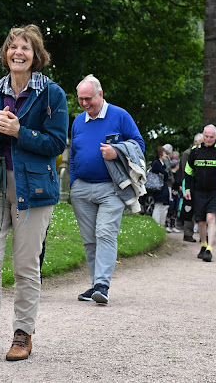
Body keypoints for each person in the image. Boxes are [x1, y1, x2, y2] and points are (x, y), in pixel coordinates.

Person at [0, 25, 68, 362]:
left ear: (36, 56)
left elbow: (56, 143)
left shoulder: (52, 94)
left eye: (26, 48)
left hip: (33, 189)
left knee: (25, 265)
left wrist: (20, 131)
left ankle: (22, 334)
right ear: (6, 54)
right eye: (13, 47)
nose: (19, 52)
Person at [69, 74, 145, 303]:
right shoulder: (78, 121)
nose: (84, 104)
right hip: (82, 188)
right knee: (89, 239)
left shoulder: (120, 116)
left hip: (112, 187)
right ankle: (95, 285)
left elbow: (139, 145)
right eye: (80, 99)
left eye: (88, 99)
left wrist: (117, 151)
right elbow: (73, 154)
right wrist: (73, 183)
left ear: (100, 94)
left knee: (104, 233)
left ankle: (102, 283)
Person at [184, 125, 216, 262]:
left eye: (212, 137)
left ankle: (210, 250)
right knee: (201, 221)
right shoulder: (195, 151)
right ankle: (203, 245)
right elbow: (188, 172)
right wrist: (187, 189)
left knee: (211, 217)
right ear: (203, 136)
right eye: (206, 136)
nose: (209, 139)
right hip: (199, 191)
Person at [181, 133, 203, 242]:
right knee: (188, 208)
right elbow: (185, 171)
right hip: (190, 182)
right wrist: (184, 185)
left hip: (201, 183)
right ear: (195, 142)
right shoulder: (187, 153)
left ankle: (203, 235)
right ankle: (188, 233)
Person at [150, 146, 170, 227]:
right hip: (158, 187)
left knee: (162, 206)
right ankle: (156, 225)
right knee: (158, 206)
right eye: (164, 153)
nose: (166, 155)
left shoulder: (161, 163)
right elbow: (164, 173)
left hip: (162, 186)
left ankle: (161, 224)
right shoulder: (157, 163)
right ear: (160, 154)